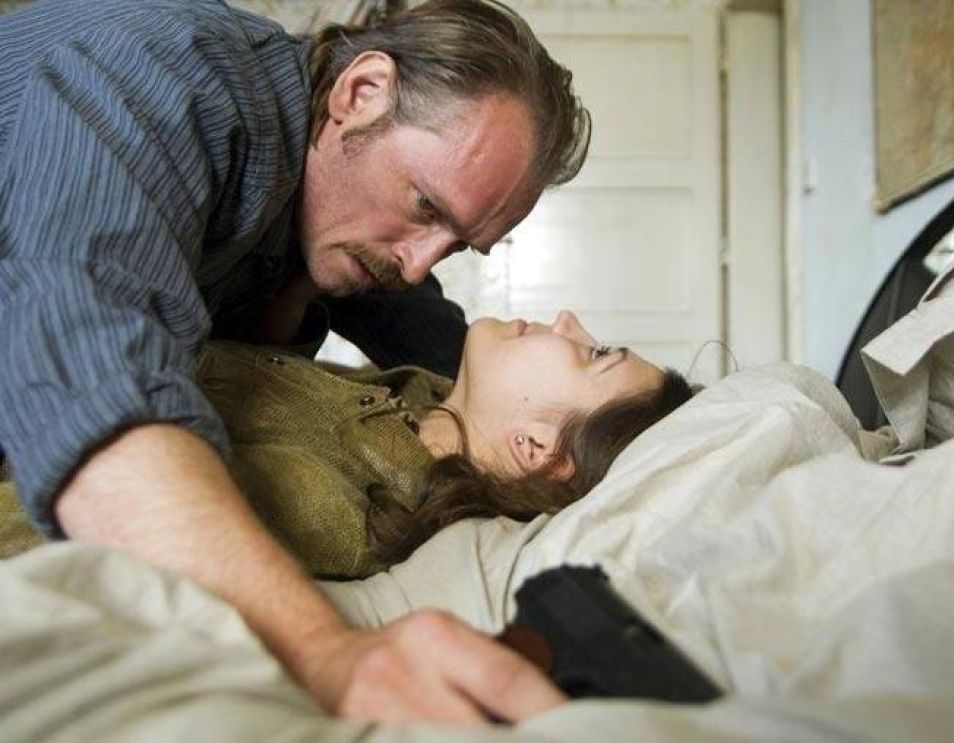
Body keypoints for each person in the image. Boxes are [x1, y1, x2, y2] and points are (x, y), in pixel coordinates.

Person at [0, 0, 591, 724]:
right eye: (425, 206)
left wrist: (609, 440)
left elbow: (441, 341)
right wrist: (325, 651)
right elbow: (86, 369)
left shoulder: (351, 206)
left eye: (457, 245)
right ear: (360, 93)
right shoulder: (163, 78)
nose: (416, 265)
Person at [2, 310, 694, 579]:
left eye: (594, 353)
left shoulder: (345, 508)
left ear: (536, 446)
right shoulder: (421, 397)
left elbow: (59, 528)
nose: (568, 320)